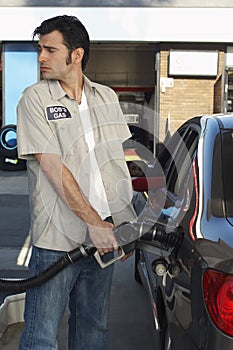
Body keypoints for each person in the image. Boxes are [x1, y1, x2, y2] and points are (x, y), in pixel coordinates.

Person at [17, 15, 136, 350]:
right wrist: (94, 223)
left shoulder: (106, 97)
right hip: (58, 242)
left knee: (93, 330)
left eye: (50, 50)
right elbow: (53, 167)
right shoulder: (35, 99)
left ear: (76, 55)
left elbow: (115, 165)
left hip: (105, 239)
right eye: (40, 49)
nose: (41, 57)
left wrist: (122, 223)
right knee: (41, 335)